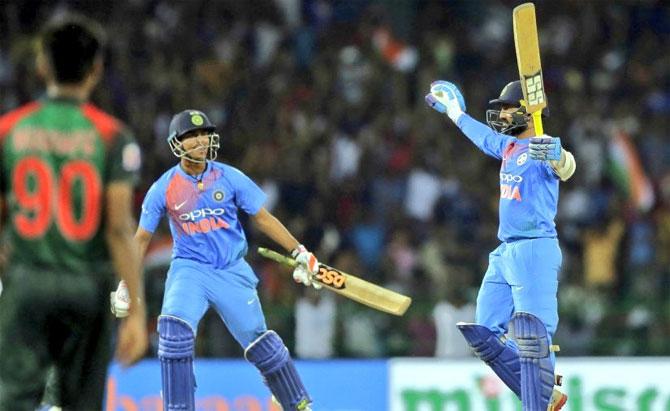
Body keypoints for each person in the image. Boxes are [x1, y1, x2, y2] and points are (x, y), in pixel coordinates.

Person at [0, 14, 148, 411]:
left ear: (42, 66)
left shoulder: (10, 129)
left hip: (27, 281)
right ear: (96, 69)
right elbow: (118, 229)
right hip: (87, 286)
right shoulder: (113, 136)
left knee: (13, 400)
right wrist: (136, 310)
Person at [126, 108, 319, 411]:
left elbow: (263, 219)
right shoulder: (163, 187)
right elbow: (141, 239)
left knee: (261, 344)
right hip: (190, 269)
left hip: (232, 270)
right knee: (174, 332)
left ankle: (295, 402)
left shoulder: (228, 176)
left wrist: (299, 251)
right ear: (178, 142)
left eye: (205, 134)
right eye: (193, 136)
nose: (202, 140)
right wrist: (126, 282)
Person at [425, 80, 576, 411]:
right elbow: (482, 137)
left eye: (508, 108)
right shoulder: (508, 148)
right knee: (483, 334)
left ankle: (539, 399)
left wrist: (556, 154)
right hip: (505, 251)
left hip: (535, 249)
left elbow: (566, 166)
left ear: (526, 111)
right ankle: (545, 394)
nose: (503, 115)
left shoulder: (541, 147)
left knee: (533, 340)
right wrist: (454, 113)